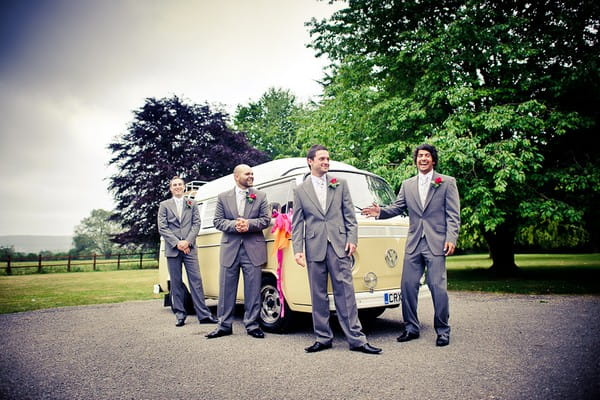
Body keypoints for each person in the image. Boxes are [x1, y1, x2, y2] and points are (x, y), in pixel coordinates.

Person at [362, 143, 460, 347]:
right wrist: (379, 212)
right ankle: (411, 328)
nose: (423, 159)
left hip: (437, 243)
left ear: (433, 160)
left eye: (427, 156)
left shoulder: (447, 182)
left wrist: (451, 237)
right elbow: (398, 207)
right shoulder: (407, 185)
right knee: (407, 286)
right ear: (415, 160)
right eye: (419, 156)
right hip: (414, 243)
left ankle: (443, 330)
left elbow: (453, 214)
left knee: (437, 287)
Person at [292, 145, 382, 354]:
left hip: (339, 245)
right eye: (321, 159)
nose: (326, 162)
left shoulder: (339, 184)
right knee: (318, 294)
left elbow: (349, 215)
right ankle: (323, 338)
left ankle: (357, 340)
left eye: (327, 159)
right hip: (314, 246)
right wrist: (298, 249)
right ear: (310, 161)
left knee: (346, 293)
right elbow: (297, 223)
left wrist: (352, 239)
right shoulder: (300, 190)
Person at [206, 164, 270, 339]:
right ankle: (224, 325)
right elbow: (218, 221)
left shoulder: (260, 196)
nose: (251, 176)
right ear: (236, 176)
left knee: (253, 289)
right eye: (247, 173)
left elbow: (265, 220)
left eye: (252, 173)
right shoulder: (223, 197)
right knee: (226, 289)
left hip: (253, 249)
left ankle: (252, 324)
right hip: (230, 249)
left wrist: (248, 224)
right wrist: (235, 225)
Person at [157, 176, 218, 327]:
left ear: (184, 187)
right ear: (171, 188)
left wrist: (187, 242)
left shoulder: (192, 203)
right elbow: (162, 227)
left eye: (180, 184)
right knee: (176, 283)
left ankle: (203, 315)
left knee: (196, 281)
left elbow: (197, 224)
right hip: (173, 250)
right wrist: (177, 243)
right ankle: (180, 314)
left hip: (189, 249)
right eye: (174, 185)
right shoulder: (164, 205)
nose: (177, 187)